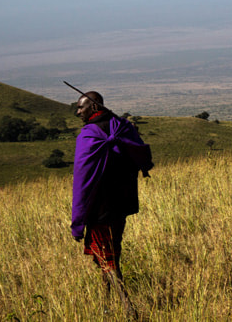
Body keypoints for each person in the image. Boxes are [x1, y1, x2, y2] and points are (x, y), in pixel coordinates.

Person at [71, 90, 153, 320]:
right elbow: (141, 155)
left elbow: (82, 183)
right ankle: (106, 306)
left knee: (108, 260)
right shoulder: (123, 127)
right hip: (123, 202)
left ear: (94, 107)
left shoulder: (88, 136)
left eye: (81, 107)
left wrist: (77, 222)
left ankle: (129, 308)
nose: (78, 112)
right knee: (111, 255)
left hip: (100, 209)